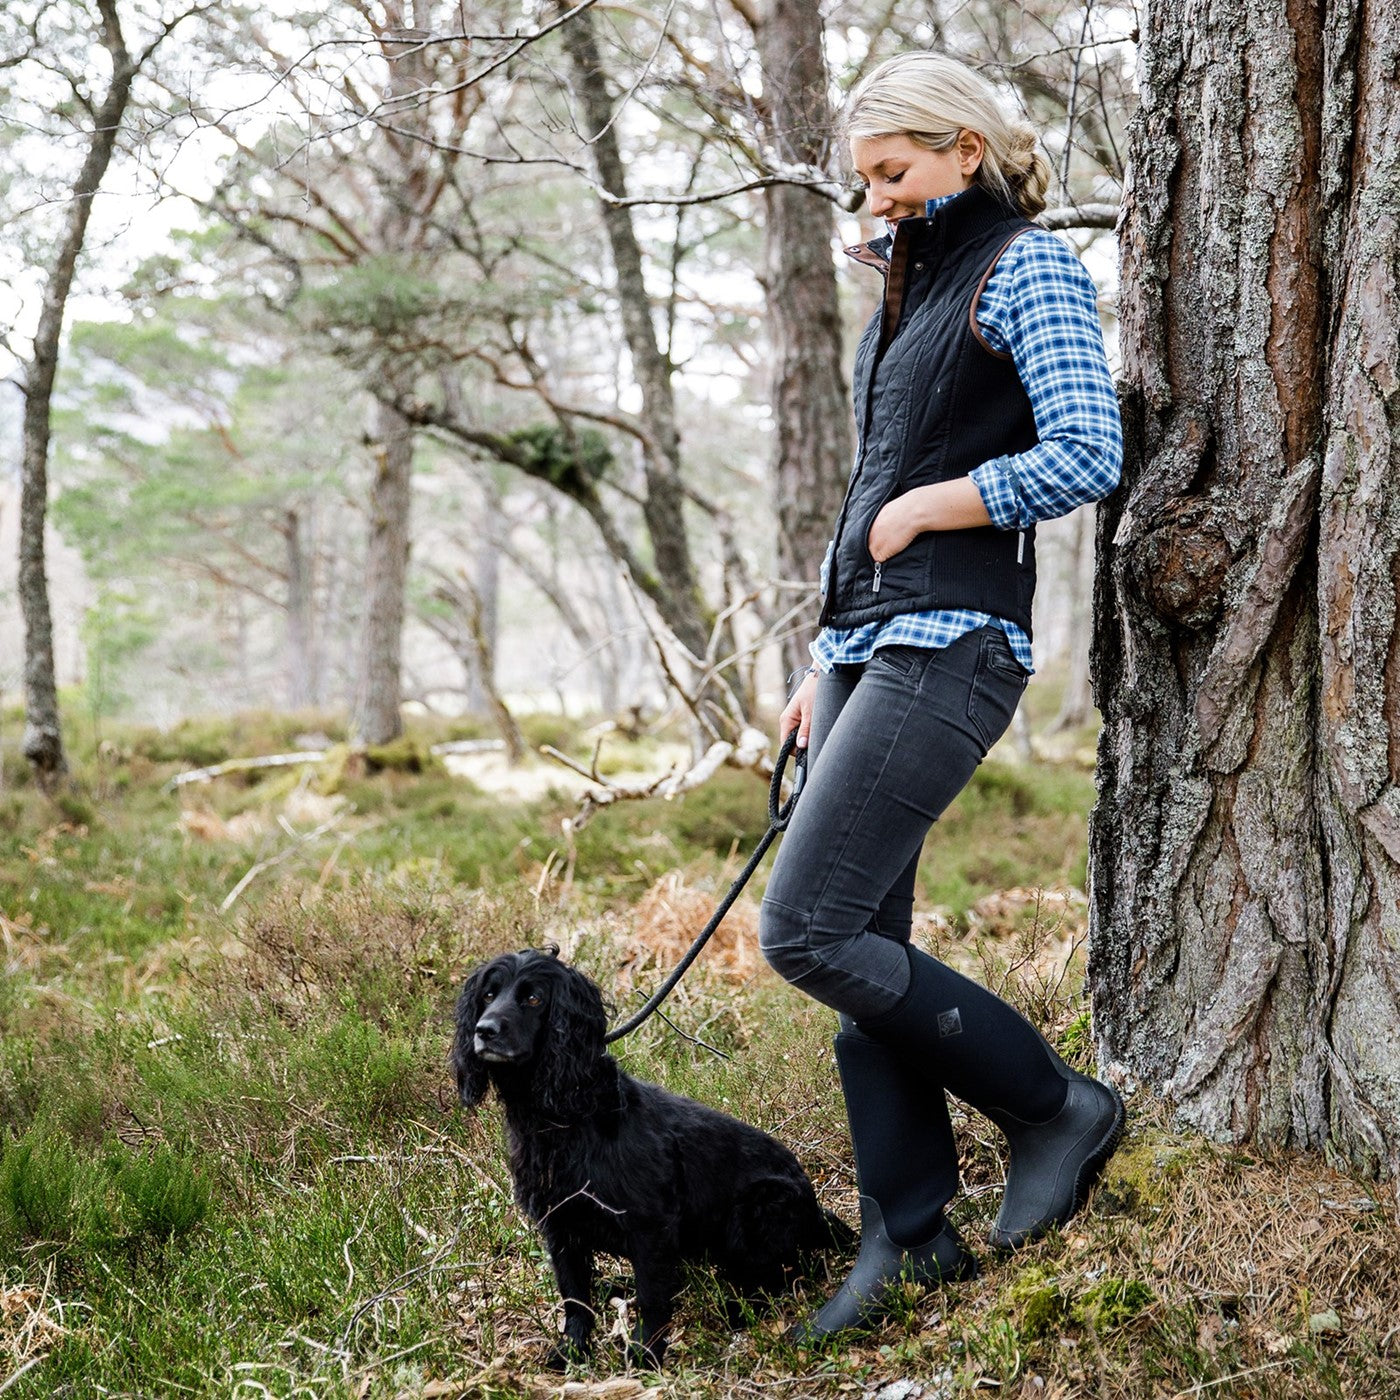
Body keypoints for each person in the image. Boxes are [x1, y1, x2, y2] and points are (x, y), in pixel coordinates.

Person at [759, 51, 1125, 1340]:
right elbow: (868, 487)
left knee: (803, 932)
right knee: (867, 952)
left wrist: (938, 506)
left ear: (965, 148)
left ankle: (1053, 1108)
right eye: (866, 181)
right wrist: (821, 662)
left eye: (896, 172)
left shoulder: (1024, 267)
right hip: (872, 650)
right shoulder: (903, 297)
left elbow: (1087, 447)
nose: (880, 200)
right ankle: (910, 1235)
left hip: (956, 643)